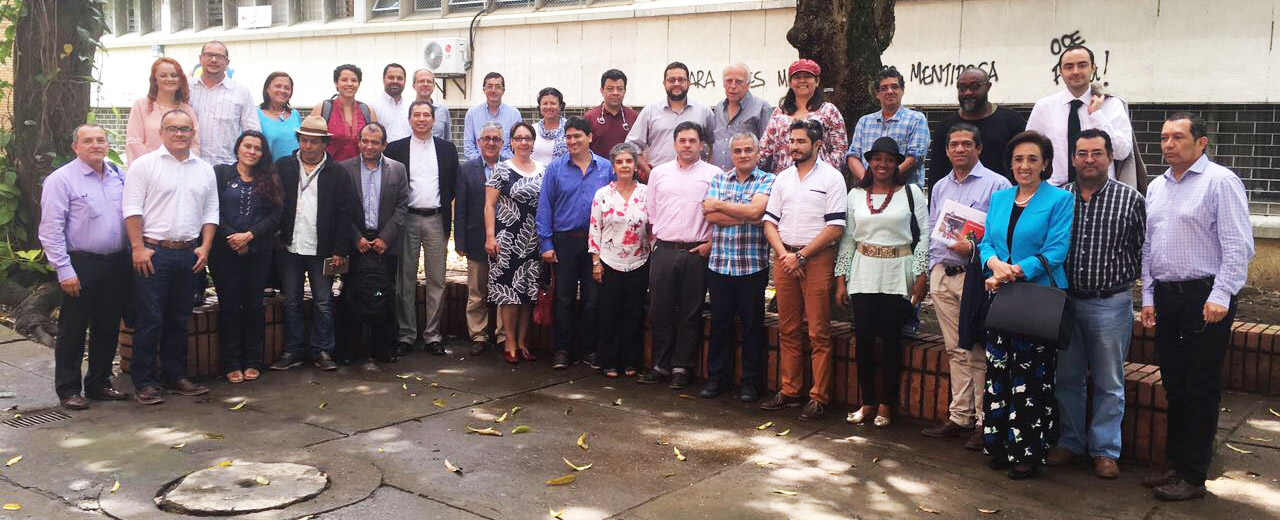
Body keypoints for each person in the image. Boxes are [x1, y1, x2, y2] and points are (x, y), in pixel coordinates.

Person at [1140, 113, 1254, 501]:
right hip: (1167, 297)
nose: (1168, 144)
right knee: (1174, 385)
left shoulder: (1220, 181)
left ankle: (1193, 475)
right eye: (1164, 138)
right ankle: (1175, 464)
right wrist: (1148, 297)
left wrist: (1221, 295)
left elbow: (1238, 245)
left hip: (1205, 298)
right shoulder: (1157, 186)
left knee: (1200, 386)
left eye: (1178, 137)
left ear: (1201, 142)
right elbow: (1149, 247)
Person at [1048, 129, 1146, 479]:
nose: (1089, 159)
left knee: (1109, 380)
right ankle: (1070, 442)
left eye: (1097, 153)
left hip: (1110, 303)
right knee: (1067, 377)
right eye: (1082, 153)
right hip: (1065, 302)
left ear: (1109, 157)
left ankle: (1105, 451)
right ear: (1073, 158)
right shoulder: (1059, 197)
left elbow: (1143, 249)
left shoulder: (1131, 199)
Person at [979, 130, 1074, 480]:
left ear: (1045, 163)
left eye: (1033, 159)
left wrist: (1013, 272)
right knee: (998, 373)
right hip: (1001, 297)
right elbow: (986, 243)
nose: (1025, 165)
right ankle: (998, 445)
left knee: (1031, 379)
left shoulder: (1060, 199)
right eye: (1018, 159)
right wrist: (994, 264)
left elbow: (1056, 251)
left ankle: (1027, 452)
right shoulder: (1000, 198)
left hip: (1035, 300)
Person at [918, 123, 1010, 450]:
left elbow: (1000, 235)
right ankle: (960, 417)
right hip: (943, 273)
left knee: (977, 350)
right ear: (946, 151)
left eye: (966, 144)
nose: (959, 149)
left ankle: (984, 421)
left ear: (978, 148)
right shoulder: (940, 186)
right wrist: (932, 268)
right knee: (955, 350)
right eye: (954, 144)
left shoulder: (998, 185)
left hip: (976, 276)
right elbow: (933, 227)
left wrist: (971, 248)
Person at [122, 110, 218, 404]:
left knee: (179, 318)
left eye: (185, 129)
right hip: (154, 254)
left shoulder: (204, 169)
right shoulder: (144, 166)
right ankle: (144, 381)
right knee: (150, 318)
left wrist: (205, 247)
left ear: (193, 133)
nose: (179, 134)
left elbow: (211, 212)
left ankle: (174, 375)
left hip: (189, 254)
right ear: (161, 132)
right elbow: (131, 209)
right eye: (173, 128)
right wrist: (138, 248)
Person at [837, 136, 929, 428]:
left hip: (897, 272)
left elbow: (924, 234)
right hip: (863, 271)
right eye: (877, 159)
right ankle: (867, 403)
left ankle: (886, 405)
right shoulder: (855, 195)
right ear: (869, 162)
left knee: (891, 339)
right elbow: (847, 239)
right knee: (863, 339)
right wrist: (841, 279)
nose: (883, 164)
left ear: (897, 164)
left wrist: (920, 273)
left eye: (889, 159)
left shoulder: (912, 193)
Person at [760, 119, 847, 421]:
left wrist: (802, 256)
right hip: (785, 257)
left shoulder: (833, 178)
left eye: (801, 142)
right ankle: (790, 390)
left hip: (817, 259)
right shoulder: (783, 178)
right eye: (792, 141)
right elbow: (769, 222)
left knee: (818, 331)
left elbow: (835, 227)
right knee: (788, 328)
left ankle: (819, 396)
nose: (794, 147)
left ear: (817, 145)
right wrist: (786, 255)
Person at [39, 125, 130, 410]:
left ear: (108, 145)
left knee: (107, 325)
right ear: (75, 147)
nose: (95, 145)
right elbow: (50, 230)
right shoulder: (61, 180)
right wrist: (64, 270)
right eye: (87, 140)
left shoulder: (118, 175)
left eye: (100, 140)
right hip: (80, 264)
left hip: (116, 263)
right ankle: (68, 389)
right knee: (73, 329)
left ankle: (99, 383)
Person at [636, 121, 718, 389]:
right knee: (660, 310)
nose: (687, 145)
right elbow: (651, 210)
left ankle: (682, 367)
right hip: (665, 250)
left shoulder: (714, 174)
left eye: (692, 141)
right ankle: (660, 365)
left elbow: (717, 214)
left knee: (690, 312)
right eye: (682, 140)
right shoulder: (659, 173)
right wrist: (657, 241)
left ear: (701, 145)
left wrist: (710, 243)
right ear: (674, 144)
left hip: (696, 252)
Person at [268, 115, 353, 372]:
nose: (308, 146)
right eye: (304, 140)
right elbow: (273, 203)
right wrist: (276, 235)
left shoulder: (337, 172)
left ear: (325, 143)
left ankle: (323, 350)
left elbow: (344, 214)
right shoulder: (284, 166)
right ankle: (292, 351)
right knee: (291, 301)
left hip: (321, 248)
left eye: (314, 142)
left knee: (323, 301)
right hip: (290, 246)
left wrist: (339, 250)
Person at [701, 133, 775, 401]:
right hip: (720, 265)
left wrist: (723, 207)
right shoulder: (719, 179)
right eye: (738, 151)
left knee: (752, 326)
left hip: (752, 266)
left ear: (757, 152)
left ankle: (751, 383)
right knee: (719, 325)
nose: (743, 155)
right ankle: (716, 378)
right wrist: (746, 214)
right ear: (731, 154)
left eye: (748, 150)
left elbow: (757, 213)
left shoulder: (768, 180)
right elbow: (710, 216)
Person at [537, 116, 615, 369]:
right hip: (565, 242)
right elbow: (545, 206)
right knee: (564, 298)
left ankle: (589, 350)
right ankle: (563, 350)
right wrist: (546, 244)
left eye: (577, 136)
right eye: (568, 137)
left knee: (593, 299)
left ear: (589, 137)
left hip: (596, 244)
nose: (572, 141)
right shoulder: (555, 169)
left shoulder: (606, 168)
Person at [386, 101, 460, 356]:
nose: (421, 119)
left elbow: (452, 185)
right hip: (407, 219)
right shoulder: (395, 149)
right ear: (409, 119)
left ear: (433, 120)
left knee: (436, 280)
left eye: (426, 115)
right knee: (404, 280)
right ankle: (406, 334)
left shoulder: (447, 149)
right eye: (416, 115)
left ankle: (432, 335)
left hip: (436, 219)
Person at [209, 130, 282, 383]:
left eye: (257, 148)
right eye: (247, 146)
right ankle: (231, 362)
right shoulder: (221, 174)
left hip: (257, 252)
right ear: (238, 148)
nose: (251, 151)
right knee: (229, 306)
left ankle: (252, 360)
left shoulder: (269, 178)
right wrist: (233, 237)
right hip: (224, 252)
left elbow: (276, 216)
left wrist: (249, 236)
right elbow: (212, 210)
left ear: (263, 153)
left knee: (253, 305)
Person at [339, 122, 408, 370]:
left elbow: (402, 206)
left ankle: (383, 348)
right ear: (359, 142)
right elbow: (341, 208)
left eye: (375, 142)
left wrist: (386, 238)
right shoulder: (344, 169)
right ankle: (350, 349)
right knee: (351, 294)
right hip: (355, 243)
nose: (369, 146)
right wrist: (355, 237)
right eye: (365, 141)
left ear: (384, 145)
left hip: (384, 243)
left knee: (383, 294)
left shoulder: (397, 169)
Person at [1026, 45, 1133, 187]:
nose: (1075, 71)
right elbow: (1029, 150)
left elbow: (1121, 152)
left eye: (1082, 65)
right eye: (1069, 67)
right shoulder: (1044, 107)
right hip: (1056, 191)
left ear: (1093, 68)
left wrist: (1097, 115)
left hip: (1101, 191)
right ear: (1060, 72)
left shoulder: (1111, 104)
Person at [486, 122, 547, 364]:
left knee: (528, 294)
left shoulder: (544, 170)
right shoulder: (501, 169)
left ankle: (523, 342)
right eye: (518, 138)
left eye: (528, 138)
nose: (523, 142)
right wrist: (490, 236)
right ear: (511, 142)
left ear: (533, 142)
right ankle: (509, 342)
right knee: (509, 293)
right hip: (507, 240)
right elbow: (489, 205)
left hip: (534, 240)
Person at [589, 143, 650, 378]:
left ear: (635, 165)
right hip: (609, 261)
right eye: (619, 162)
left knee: (634, 312)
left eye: (629, 161)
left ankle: (631, 360)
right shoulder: (603, 194)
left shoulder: (646, 193)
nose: (624, 165)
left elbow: (653, 227)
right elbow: (595, 229)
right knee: (609, 313)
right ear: (613, 166)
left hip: (639, 261)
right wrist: (596, 262)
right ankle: (610, 361)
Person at [456, 122, 510, 356]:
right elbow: (461, 207)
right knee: (477, 292)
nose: (490, 143)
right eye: (486, 138)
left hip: (506, 239)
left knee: (504, 290)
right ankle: (478, 335)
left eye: (495, 139)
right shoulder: (466, 169)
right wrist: (460, 242)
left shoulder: (509, 167)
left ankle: (503, 335)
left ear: (502, 143)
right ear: (478, 142)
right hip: (476, 238)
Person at [925, 67, 1025, 188]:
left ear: (988, 87)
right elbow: (936, 170)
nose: (967, 92)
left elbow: (1022, 161)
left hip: (1002, 195)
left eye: (974, 87)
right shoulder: (946, 126)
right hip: (956, 195)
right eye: (962, 88)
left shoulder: (1011, 121)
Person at [759, 59, 848, 173]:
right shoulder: (779, 113)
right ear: (790, 83)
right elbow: (764, 149)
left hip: (819, 178)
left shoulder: (828, 111)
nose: (802, 81)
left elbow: (840, 148)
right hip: (783, 178)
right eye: (797, 77)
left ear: (817, 81)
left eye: (807, 77)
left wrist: (824, 173)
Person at [846, 67, 930, 187]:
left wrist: (884, 181)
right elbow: (853, 156)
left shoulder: (916, 120)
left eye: (894, 87)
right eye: (884, 88)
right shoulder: (864, 122)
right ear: (877, 94)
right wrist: (868, 180)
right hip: (869, 191)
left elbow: (915, 157)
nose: (890, 91)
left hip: (904, 191)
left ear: (902, 90)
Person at [625, 62, 715, 169]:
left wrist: (708, 169)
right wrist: (648, 171)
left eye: (681, 80)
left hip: (696, 175)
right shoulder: (650, 111)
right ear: (664, 83)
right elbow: (632, 145)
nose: (676, 83)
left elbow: (715, 144)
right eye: (671, 80)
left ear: (689, 83)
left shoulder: (704, 111)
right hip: (660, 175)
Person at [189, 41, 260, 166]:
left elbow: (253, 132)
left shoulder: (241, 92)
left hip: (228, 166)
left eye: (219, 56)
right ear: (200, 58)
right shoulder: (186, 88)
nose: (213, 60)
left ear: (227, 62)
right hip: (191, 165)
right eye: (209, 55)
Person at [126, 57, 200, 165]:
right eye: (163, 75)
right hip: (148, 169)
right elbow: (134, 142)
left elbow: (194, 144)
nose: (169, 79)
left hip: (180, 169)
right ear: (155, 80)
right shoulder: (141, 106)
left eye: (174, 75)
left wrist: (183, 165)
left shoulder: (187, 110)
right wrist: (153, 166)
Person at [709, 63, 772, 171]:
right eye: (729, 81)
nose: (733, 86)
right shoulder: (719, 108)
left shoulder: (762, 108)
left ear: (748, 84)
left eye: (738, 81)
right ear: (723, 83)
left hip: (748, 177)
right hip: (719, 177)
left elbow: (767, 149)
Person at [311, 64, 378, 163]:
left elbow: (375, 143)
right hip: (330, 169)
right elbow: (310, 143)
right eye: (344, 80)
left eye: (354, 80)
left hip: (360, 170)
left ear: (359, 84)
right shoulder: (323, 109)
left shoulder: (368, 111)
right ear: (336, 83)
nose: (349, 84)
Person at [463, 72, 522, 161]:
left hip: (506, 166)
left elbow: (517, 145)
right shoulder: (472, 114)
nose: (493, 90)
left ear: (503, 91)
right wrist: (483, 164)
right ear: (484, 90)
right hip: (478, 166)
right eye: (490, 86)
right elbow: (469, 146)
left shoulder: (514, 115)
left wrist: (500, 164)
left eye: (498, 87)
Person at [585, 69, 637, 160]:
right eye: (610, 89)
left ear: (625, 91)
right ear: (602, 91)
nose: (615, 93)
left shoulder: (634, 117)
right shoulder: (590, 117)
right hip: (597, 169)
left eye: (619, 89)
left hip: (625, 168)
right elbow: (584, 149)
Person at [257, 71, 302, 161]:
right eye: (278, 86)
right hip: (268, 168)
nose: (282, 90)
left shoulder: (295, 115)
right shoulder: (256, 114)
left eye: (287, 88)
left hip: (294, 168)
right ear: (267, 89)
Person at [368, 64, 412, 142]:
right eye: (391, 78)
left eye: (400, 78)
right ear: (383, 79)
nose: (395, 81)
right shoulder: (373, 107)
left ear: (405, 81)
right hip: (385, 149)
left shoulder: (411, 106)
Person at [411, 69, 451, 141]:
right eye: (421, 81)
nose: (425, 84)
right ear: (414, 86)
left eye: (429, 82)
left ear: (434, 86)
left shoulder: (443, 110)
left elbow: (447, 139)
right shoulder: (407, 110)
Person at [532, 87, 569, 164]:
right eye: (545, 103)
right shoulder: (532, 130)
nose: (549, 107)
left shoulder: (570, 128)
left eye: (553, 103)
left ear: (560, 106)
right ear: (540, 106)